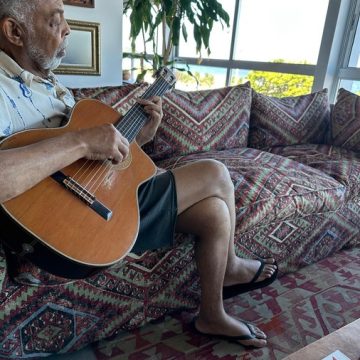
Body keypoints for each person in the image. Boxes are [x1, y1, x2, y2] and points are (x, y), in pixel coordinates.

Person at [0, 0, 277, 349]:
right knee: (215, 173)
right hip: (58, 226)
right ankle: (233, 266)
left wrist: (139, 137)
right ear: (14, 32)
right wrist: (82, 140)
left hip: (91, 201)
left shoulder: (50, 86)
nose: (68, 30)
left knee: (214, 213)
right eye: (56, 23)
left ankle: (211, 315)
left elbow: (88, 161)